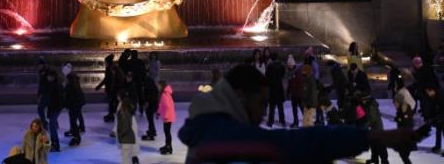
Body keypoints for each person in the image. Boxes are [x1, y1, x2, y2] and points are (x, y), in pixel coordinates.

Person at [178, 64, 420, 164]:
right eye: (262, 104)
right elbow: (289, 144)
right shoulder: (219, 138)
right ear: (240, 96)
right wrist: (372, 137)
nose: (264, 113)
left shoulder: (208, 127)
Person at [96, 54, 123, 123]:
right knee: (112, 103)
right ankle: (112, 115)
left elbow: (109, 80)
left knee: (113, 102)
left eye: (105, 62)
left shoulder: (111, 69)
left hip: (112, 89)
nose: (105, 63)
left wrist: (101, 86)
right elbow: (107, 79)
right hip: (112, 89)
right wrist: (99, 86)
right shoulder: (112, 68)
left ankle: (114, 115)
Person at [115, 91, 140, 164]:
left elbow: (123, 125)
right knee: (128, 153)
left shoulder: (124, 113)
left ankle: (134, 157)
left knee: (126, 156)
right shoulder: (130, 113)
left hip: (126, 137)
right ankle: (135, 157)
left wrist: (120, 134)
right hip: (130, 136)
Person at [43, 68, 63, 153]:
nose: (48, 77)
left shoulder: (56, 85)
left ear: (53, 77)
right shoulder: (53, 84)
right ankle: (54, 144)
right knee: (52, 126)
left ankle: (55, 145)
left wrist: (52, 110)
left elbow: (57, 99)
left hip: (55, 108)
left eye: (49, 76)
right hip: (54, 108)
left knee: (52, 127)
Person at [63, 72, 85, 147]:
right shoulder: (75, 85)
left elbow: (68, 98)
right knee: (73, 120)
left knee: (73, 121)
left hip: (74, 106)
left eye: (67, 79)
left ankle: (77, 137)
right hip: (75, 105)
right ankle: (75, 132)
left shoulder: (71, 87)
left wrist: (64, 105)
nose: (65, 80)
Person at [265, 52, 286, 128]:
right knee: (280, 107)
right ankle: (282, 121)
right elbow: (283, 75)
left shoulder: (270, 67)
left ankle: (270, 122)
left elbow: (267, 76)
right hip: (279, 88)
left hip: (272, 88)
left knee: (272, 107)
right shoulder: (282, 66)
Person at [424, 83, 444, 152]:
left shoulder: (440, 96)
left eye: (428, 91)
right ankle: (437, 146)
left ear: (432, 90)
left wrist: (440, 116)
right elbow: (433, 109)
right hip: (439, 118)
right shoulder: (432, 97)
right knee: (438, 132)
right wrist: (431, 117)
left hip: (442, 117)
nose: (427, 93)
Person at [157, 80, 175, 155]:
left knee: (167, 132)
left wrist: (166, 117)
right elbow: (161, 105)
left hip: (168, 117)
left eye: (159, 85)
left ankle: (169, 148)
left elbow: (168, 106)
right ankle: (167, 145)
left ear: (162, 86)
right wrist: (158, 113)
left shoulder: (165, 94)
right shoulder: (164, 93)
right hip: (167, 116)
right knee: (166, 132)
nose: (158, 87)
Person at [141, 69, 159, 141]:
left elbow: (148, 93)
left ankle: (152, 133)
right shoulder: (149, 80)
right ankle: (152, 131)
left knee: (150, 118)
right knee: (150, 118)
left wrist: (146, 102)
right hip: (152, 102)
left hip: (150, 102)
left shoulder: (146, 81)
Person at [285, 55, 303, 128]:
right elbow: (290, 83)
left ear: (293, 64)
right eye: (288, 65)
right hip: (294, 95)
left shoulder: (298, 72)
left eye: (290, 65)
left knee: (302, 108)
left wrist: (298, 93)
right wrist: (288, 92)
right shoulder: (290, 73)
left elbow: (300, 84)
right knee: (294, 109)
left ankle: (308, 121)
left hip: (299, 95)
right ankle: (296, 122)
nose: (289, 66)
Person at [300, 63, 317, 127]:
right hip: (306, 103)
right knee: (306, 121)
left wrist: (309, 104)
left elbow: (312, 92)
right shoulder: (306, 78)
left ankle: (309, 134)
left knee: (308, 121)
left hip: (310, 104)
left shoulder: (310, 79)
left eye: (304, 70)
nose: (303, 72)